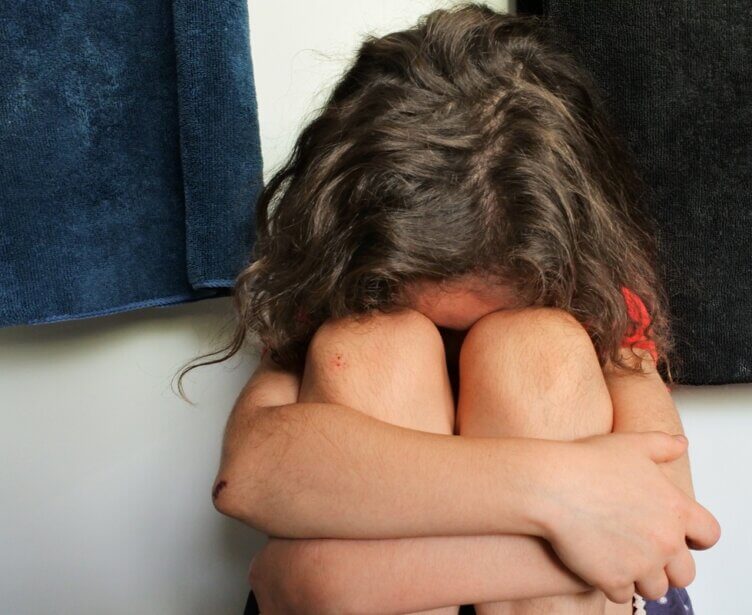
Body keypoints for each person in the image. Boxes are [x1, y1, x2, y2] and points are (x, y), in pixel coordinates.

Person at [175, 3, 721, 613]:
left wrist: (335, 579)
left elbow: (661, 535)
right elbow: (249, 475)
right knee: (371, 346)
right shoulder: (345, 286)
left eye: (488, 315)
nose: (456, 340)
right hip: (558, 567)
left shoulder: (596, 293)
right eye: (438, 320)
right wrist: (562, 493)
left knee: (538, 348)